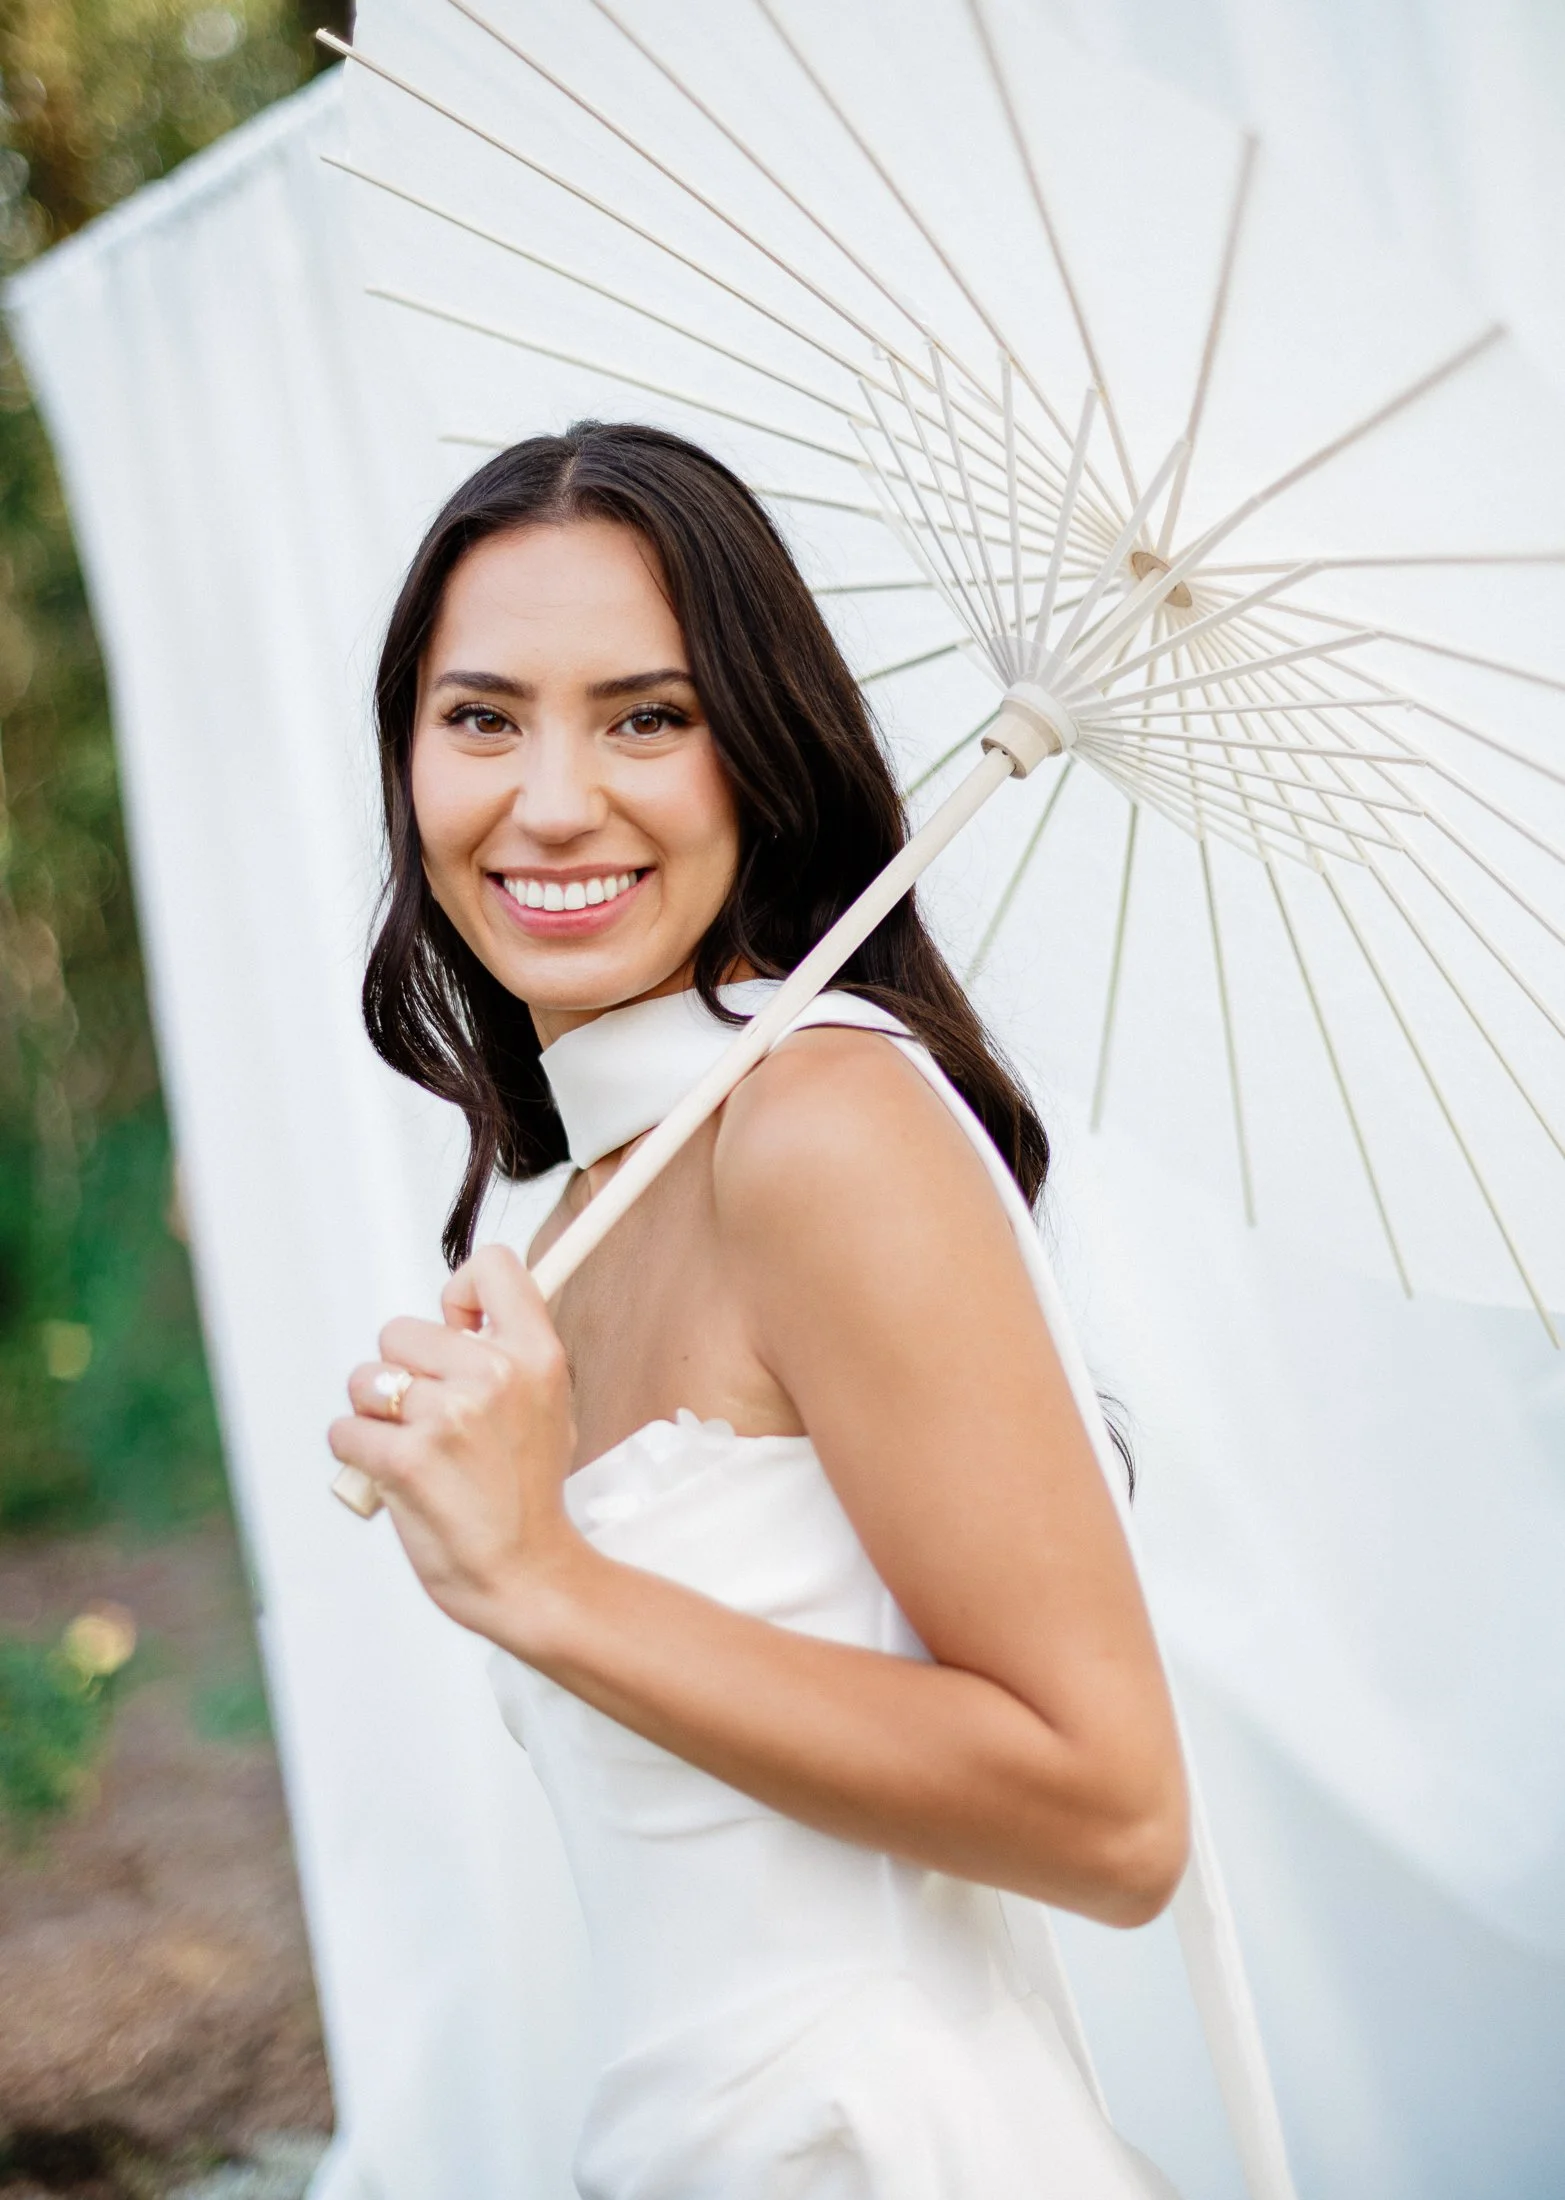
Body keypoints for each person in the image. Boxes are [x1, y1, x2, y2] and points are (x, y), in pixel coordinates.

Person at [328, 421, 1187, 2197]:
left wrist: (545, 1583)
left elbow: (1115, 1816)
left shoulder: (816, 1129)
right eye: (483, 716)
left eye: (648, 715)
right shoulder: (578, 1207)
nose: (552, 800)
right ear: (409, 757)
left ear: (763, 757)